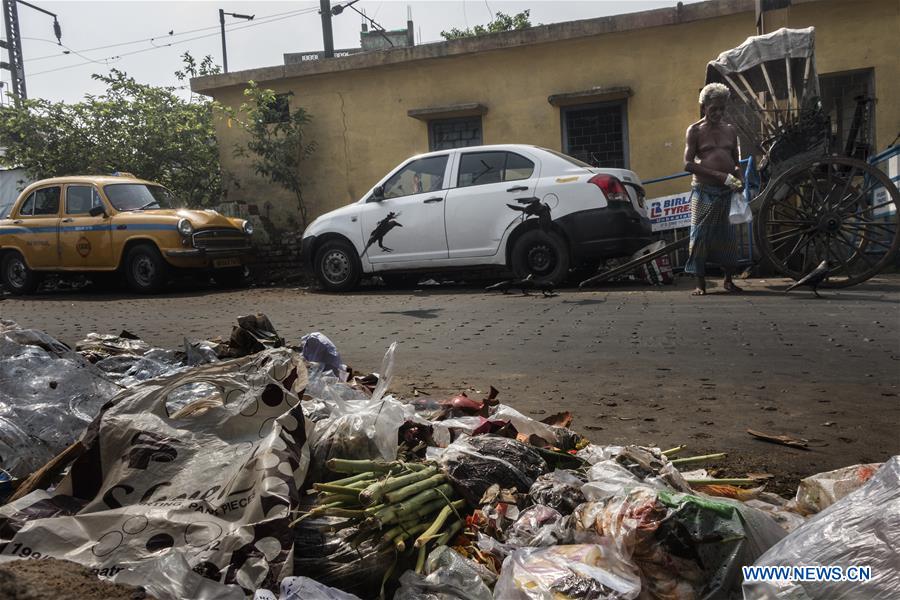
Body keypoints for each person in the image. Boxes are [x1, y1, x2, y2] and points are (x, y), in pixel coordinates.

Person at [683, 82, 744, 296]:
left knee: (727, 236)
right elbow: (688, 163)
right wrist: (719, 175)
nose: (718, 113)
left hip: (727, 191)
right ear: (704, 106)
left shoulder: (730, 130)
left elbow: (736, 161)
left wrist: (739, 177)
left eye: (722, 109)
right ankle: (700, 283)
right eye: (713, 108)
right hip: (704, 190)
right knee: (700, 235)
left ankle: (728, 280)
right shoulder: (695, 130)